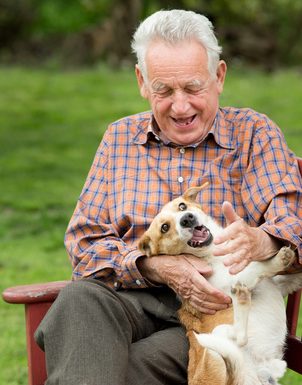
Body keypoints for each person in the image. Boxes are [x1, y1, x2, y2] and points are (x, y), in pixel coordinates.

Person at [35, 9, 302, 385]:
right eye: (164, 90)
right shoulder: (119, 139)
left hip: (213, 315)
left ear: (219, 76)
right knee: (79, 301)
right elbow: (83, 243)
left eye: (193, 88)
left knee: (108, 367)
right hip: (132, 296)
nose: (180, 107)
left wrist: (262, 240)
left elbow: (295, 222)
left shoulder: (254, 134)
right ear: (142, 82)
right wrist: (153, 267)